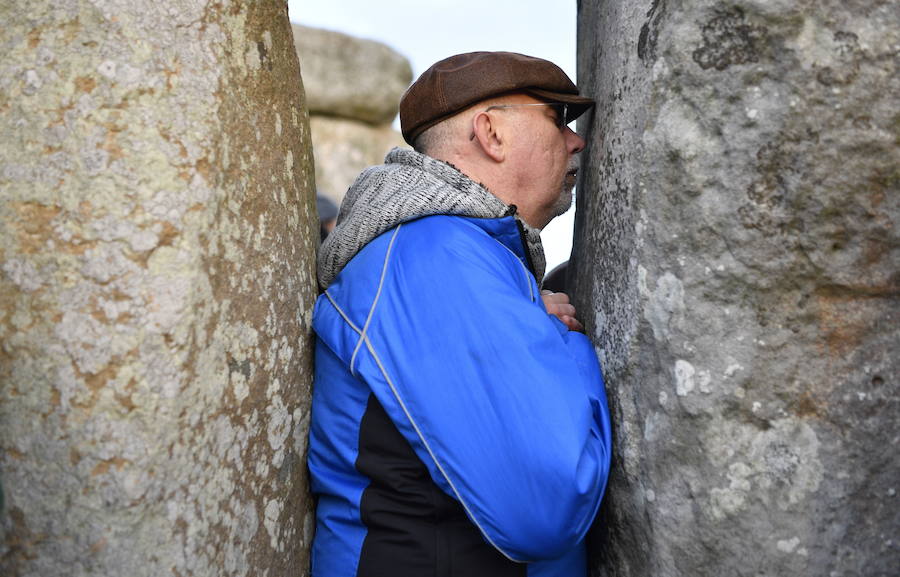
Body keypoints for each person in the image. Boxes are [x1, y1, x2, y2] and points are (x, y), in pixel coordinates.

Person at [307, 51, 612, 577]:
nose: (577, 139)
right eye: (556, 118)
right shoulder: (433, 253)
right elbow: (543, 509)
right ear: (490, 133)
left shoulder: (453, 253)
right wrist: (565, 342)